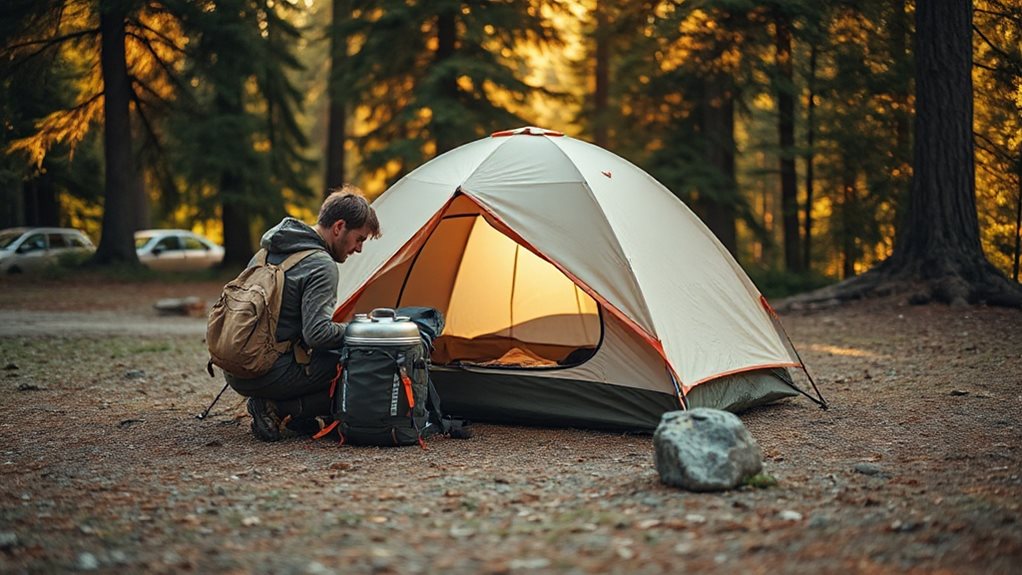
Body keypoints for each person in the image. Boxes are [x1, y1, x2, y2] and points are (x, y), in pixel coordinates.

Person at [225, 185, 381, 441]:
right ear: (339, 227)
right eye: (360, 239)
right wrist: (363, 330)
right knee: (360, 363)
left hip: (237, 368)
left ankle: (301, 416)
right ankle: (277, 408)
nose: (359, 249)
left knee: (324, 352)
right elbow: (317, 334)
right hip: (263, 374)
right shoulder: (321, 264)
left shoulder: (268, 250)